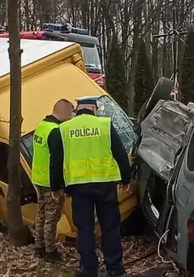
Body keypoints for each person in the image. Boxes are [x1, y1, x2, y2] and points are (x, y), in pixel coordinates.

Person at [48, 96, 132, 277]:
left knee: (84, 229)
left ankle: (88, 269)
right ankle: (115, 268)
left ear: (78, 109)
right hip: (105, 185)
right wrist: (126, 178)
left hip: (78, 188)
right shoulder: (104, 125)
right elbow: (120, 154)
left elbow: (55, 161)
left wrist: (56, 187)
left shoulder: (62, 130)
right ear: (93, 108)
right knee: (110, 227)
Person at [31, 99, 75, 262]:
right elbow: (56, 162)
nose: (71, 117)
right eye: (70, 113)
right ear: (65, 112)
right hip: (51, 182)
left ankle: (39, 246)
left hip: (38, 178)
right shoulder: (55, 132)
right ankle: (50, 250)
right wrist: (57, 187)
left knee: (41, 214)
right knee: (52, 216)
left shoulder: (41, 126)